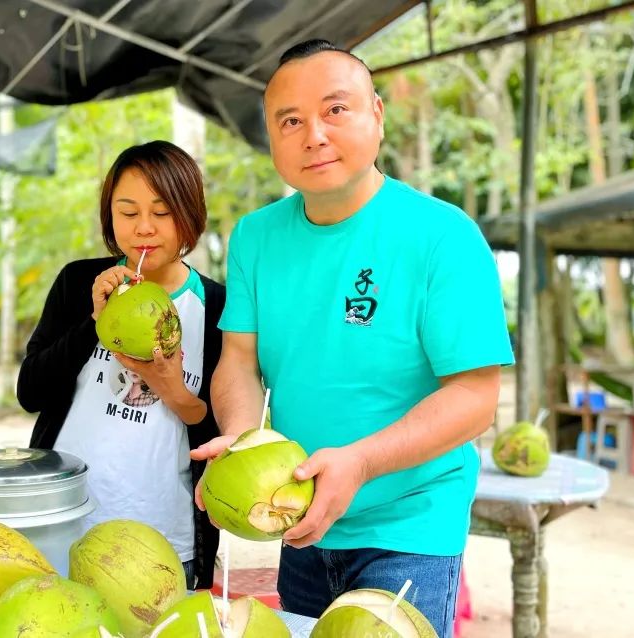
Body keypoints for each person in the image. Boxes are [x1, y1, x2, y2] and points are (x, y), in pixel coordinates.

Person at [191, 39, 513, 635]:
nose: (313, 134)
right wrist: (239, 439)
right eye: (290, 120)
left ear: (377, 115)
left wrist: (361, 463)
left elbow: (476, 398)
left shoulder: (444, 236)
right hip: (299, 517)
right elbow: (237, 362)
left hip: (408, 526)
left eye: (335, 110)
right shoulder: (256, 238)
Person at [17, 141, 224, 589]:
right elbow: (29, 393)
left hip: (165, 541)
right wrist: (97, 320)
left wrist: (170, 387)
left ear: (190, 213)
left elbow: (219, 433)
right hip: (66, 526)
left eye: (162, 212)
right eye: (128, 213)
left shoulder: (217, 307)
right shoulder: (78, 283)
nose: (144, 229)